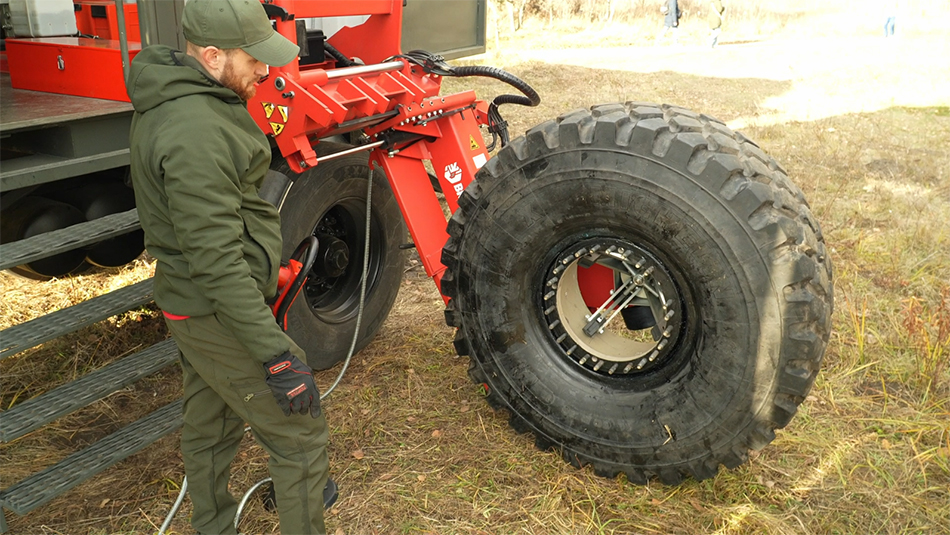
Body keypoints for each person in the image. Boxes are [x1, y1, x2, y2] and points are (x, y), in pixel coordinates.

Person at [127, 0, 332, 533]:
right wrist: (274, 354)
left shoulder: (198, 99)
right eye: (255, 59)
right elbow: (214, 259)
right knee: (299, 433)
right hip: (213, 307)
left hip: (200, 305)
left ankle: (213, 525)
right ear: (213, 55)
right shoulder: (192, 128)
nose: (266, 70)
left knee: (211, 424)